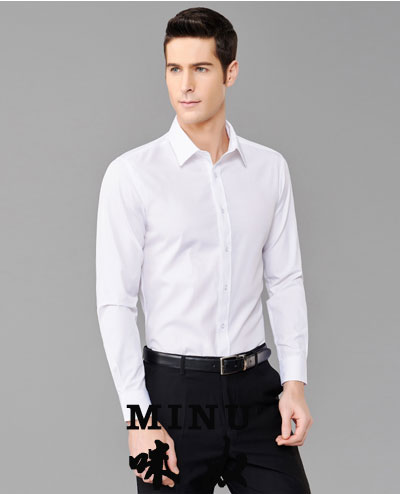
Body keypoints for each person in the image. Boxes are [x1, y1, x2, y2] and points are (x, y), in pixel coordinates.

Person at [96, 6, 313, 493]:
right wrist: (138, 420)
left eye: (201, 68)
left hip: (255, 392)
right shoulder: (132, 175)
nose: (186, 85)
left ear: (230, 72)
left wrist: (294, 383)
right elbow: (115, 304)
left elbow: (285, 281)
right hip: (171, 397)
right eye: (174, 69)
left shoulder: (269, 169)